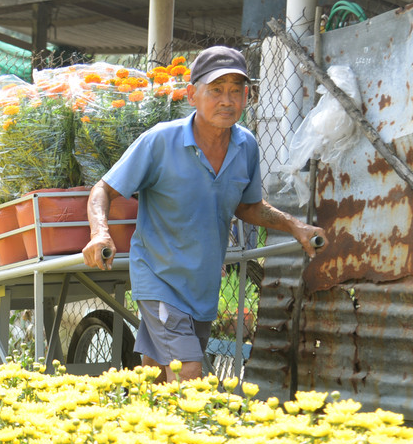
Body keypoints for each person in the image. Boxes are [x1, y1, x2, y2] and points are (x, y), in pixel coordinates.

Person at [81, 46, 326, 382]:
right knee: (189, 372)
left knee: (155, 375)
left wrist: (294, 226)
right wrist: (100, 232)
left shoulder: (246, 146)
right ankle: (194, 435)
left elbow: (247, 206)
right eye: (216, 90)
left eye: (236, 91)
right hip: (159, 277)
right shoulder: (160, 142)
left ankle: (140, 430)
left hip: (202, 286)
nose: (227, 100)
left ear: (247, 97)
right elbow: (103, 190)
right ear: (192, 94)